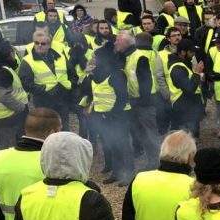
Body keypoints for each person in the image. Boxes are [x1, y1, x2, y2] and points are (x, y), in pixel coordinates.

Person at [80, 46, 133, 186]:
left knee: (123, 145)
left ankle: (129, 174)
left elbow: (122, 98)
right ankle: (116, 172)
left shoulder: (116, 74)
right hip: (103, 115)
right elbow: (90, 92)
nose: (93, 60)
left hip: (119, 115)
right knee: (111, 145)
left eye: (96, 58)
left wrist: (112, 114)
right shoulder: (96, 74)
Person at [117, 31, 162, 171]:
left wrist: (142, 101)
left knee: (150, 133)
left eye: (118, 40)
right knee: (142, 133)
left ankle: (158, 163)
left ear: (126, 43)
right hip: (135, 101)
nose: (115, 42)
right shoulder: (127, 56)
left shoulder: (139, 56)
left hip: (145, 102)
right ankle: (152, 162)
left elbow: (146, 81)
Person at [19, 31, 74, 131]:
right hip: (43, 100)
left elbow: (72, 74)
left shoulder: (60, 56)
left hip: (62, 99)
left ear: (49, 45)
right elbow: (26, 84)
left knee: (64, 127)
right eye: (36, 43)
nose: (39, 46)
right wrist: (45, 89)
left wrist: (68, 87)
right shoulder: (27, 61)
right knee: (46, 128)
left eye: (43, 43)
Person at [168, 38, 205, 136]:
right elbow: (189, 89)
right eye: (191, 52)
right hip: (183, 110)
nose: (193, 54)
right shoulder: (177, 68)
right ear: (183, 52)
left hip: (190, 109)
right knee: (184, 142)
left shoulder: (185, 63)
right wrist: (197, 73)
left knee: (191, 140)